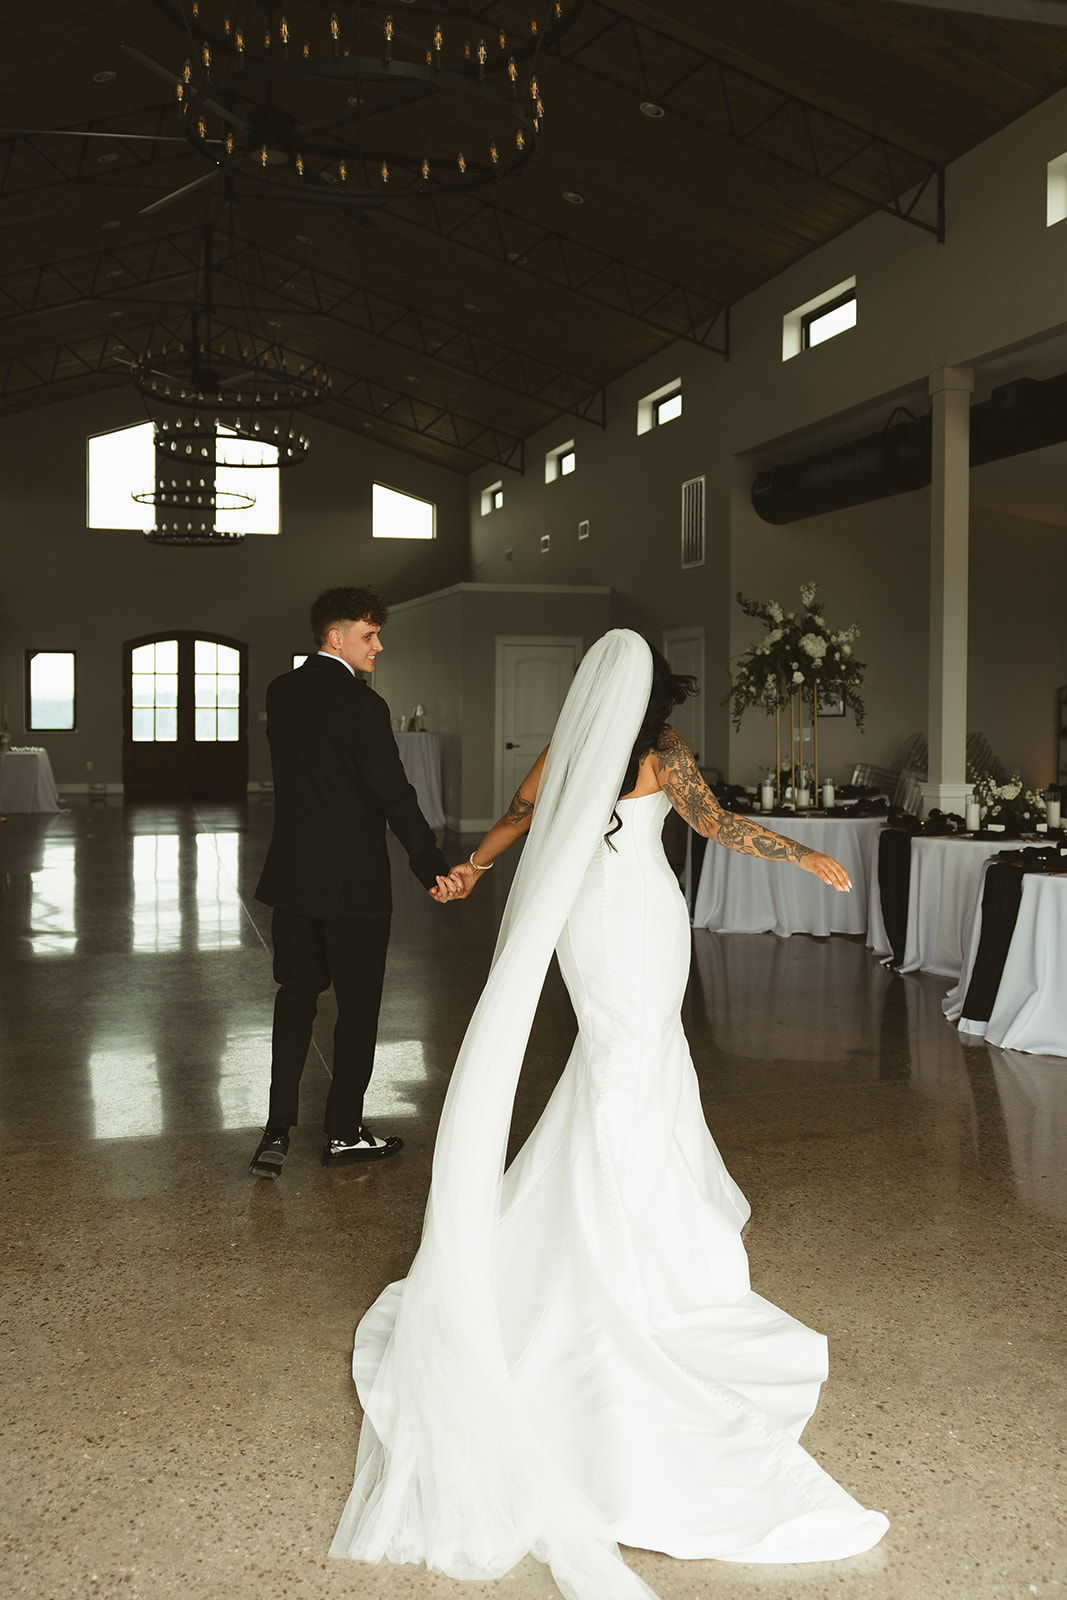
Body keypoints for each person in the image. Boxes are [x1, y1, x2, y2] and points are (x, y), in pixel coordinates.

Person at [329, 630, 889, 1599]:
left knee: (633, 1061)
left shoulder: (584, 749)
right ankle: (614, 1246)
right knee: (623, 1061)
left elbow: (535, 814)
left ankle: (635, 1224)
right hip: (623, 923)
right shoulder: (652, 753)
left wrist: (474, 864)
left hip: (608, 924)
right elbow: (705, 827)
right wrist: (806, 856)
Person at [250, 585, 460, 1179]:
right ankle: (342, 1134)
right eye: (369, 635)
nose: (380, 646)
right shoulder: (363, 707)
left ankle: (277, 1130)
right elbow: (393, 795)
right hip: (354, 885)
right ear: (334, 637)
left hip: (294, 878)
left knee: (295, 996)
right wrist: (433, 868)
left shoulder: (281, 693)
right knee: (358, 1010)